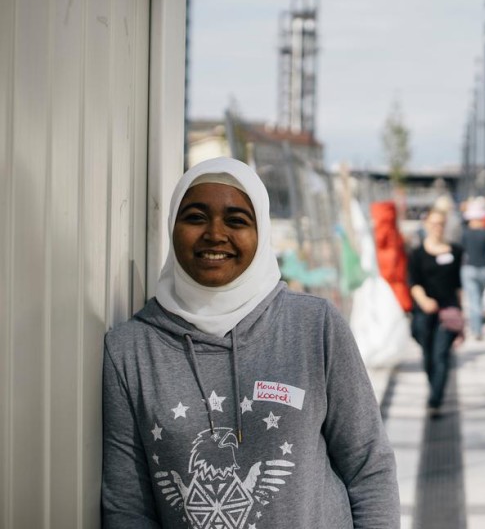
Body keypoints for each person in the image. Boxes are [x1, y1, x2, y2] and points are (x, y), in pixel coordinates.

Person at [102, 157, 399, 528]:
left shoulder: (313, 327)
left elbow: (369, 466)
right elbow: (127, 506)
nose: (214, 233)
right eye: (195, 217)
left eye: (236, 220)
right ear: (172, 228)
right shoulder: (130, 350)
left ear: (262, 235)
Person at [408, 208, 463, 416]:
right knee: (428, 356)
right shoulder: (417, 254)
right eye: (433, 223)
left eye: (441, 223)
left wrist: (461, 313)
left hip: (448, 310)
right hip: (424, 311)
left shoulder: (455, 251)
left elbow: (458, 285)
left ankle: (435, 400)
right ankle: (434, 388)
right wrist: (424, 301)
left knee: (441, 355)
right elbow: (413, 282)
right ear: (426, 225)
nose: (437, 227)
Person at [461, 198, 485, 339]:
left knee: (474, 301)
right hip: (483, 269)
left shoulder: (465, 234)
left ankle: (477, 330)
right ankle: (478, 328)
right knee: (479, 300)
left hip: (469, 269)